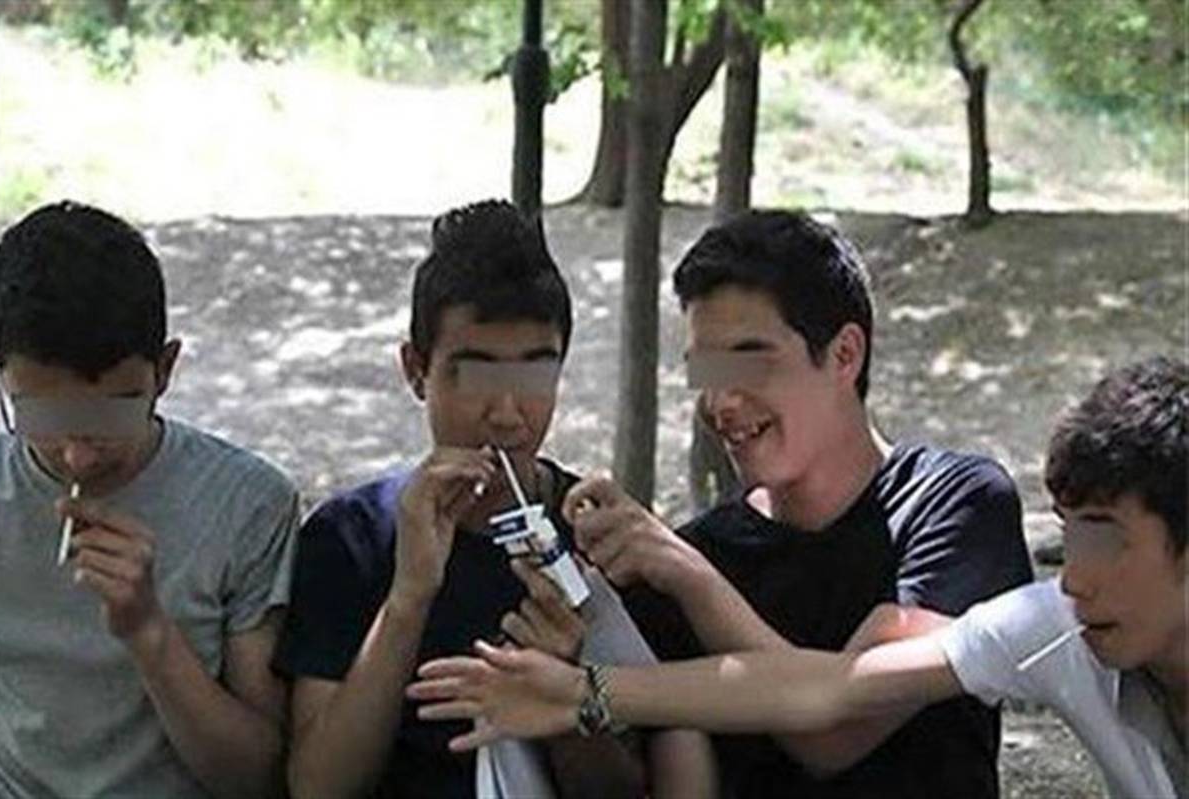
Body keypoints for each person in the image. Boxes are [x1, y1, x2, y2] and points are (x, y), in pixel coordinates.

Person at [417, 209, 1033, 797]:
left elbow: (841, 724)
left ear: (845, 354)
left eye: (749, 363)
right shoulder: (694, 555)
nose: (721, 403)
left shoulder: (954, 504)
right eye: (705, 372)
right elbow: (676, 769)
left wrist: (689, 588)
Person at [408, 355, 1187, 799]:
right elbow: (831, 689)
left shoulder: (951, 496)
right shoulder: (1054, 628)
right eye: (1070, 534)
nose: (1075, 578)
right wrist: (585, 695)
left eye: (1107, 539)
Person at [272, 200, 713, 799]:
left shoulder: (604, 540)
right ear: (416, 370)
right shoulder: (350, 537)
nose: (507, 414)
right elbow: (319, 786)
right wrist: (408, 597)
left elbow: (625, 788)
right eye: (475, 374)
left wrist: (564, 694)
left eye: (534, 376)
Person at [0, 201, 300, 798]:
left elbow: (257, 778)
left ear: (166, 369)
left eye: (113, 411)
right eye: (42, 415)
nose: (78, 456)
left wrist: (148, 630)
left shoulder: (248, 505)